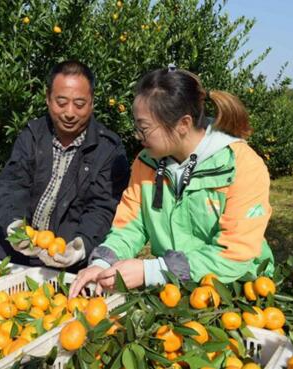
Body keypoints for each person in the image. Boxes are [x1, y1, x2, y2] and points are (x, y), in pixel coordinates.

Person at [70, 67, 274, 296]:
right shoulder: (146, 163)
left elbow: (235, 254)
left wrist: (153, 271)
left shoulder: (240, 166)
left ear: (183, 125)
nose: (138, 136)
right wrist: (104, 262)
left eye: (144, 128)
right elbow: (130, 225)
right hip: (172, 293)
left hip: (236, 293)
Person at [0, 60, 130, 271]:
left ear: (92, 103)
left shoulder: (108, 149)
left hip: (66, 254)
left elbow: (103, 207)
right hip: (22, 243)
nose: (69, 112)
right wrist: (15, 227)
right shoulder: (33, 135)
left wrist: (80, 246)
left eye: (79, 104)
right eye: (61, 102)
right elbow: (12, 185)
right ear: (48, 99)